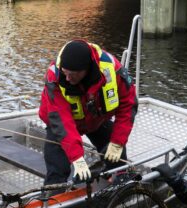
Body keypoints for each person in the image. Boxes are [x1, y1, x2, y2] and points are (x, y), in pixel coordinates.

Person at [39, 39, 138, 184]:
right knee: (57, 168)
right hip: (62, 123)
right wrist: (77, 158)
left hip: (96, 119)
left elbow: (128, 104)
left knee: (116, 153)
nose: (67, 78)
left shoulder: (111, 68)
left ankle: (117, 179)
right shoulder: (54, 76)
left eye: (72, 75)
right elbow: (61, 120)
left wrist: (118, 142)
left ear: (85, 70)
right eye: (65, 73)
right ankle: (52, 198)